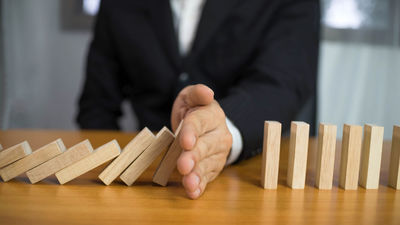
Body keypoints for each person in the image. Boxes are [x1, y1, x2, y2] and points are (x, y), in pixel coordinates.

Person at [77, 0, 320, 199]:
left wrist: (225, 130)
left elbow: (284, 80)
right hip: (145, 186)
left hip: (245, 182)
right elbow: (97, 105)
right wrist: (112, 172)